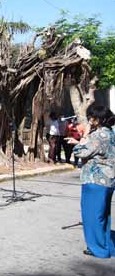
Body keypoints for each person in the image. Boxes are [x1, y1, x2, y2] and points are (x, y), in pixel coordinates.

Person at [68, 105, 115, 258]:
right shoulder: (110, 134)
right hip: (108, 180)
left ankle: (98, 249)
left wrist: (84, 136)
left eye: (91, 117)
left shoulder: (97, 135)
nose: (89, 120)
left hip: (95, 179)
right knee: (103, 216)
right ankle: (107, 246)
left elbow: (81, 151)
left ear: (97, 119)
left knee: (92, 216)